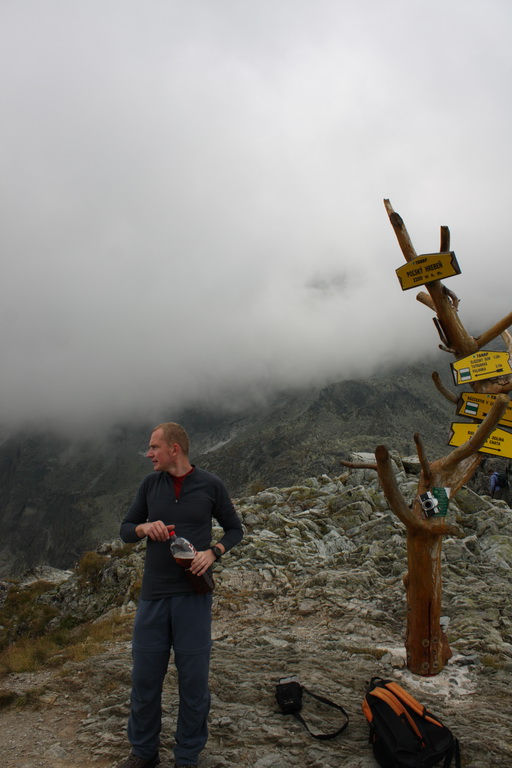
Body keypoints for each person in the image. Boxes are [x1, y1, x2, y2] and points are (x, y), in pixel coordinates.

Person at [117, 422, 243, 768]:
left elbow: (235, 529)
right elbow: (126, 530)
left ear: (175, 449)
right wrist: (144, 527)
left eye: (154, 447)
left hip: (193, 597)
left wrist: (212, 552)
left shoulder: (210, 485)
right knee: (145, 678)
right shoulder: (149, 485)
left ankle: (187, 756)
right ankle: (143, 752)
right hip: (154, 597)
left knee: (193, 681)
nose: (149, 454)